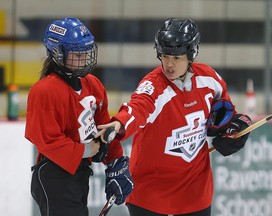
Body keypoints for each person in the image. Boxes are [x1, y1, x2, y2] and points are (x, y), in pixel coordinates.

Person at [95, 17, 252, 216]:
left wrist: (234, 127)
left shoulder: (209, 79)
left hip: (195, 192)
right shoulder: (154, 86)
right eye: (165, 56)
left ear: (191, 54)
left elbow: (225, 110)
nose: (169, 64)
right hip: (151, 194)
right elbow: (138, 108)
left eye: (177, 58)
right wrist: (118, 124)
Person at [25, 17, 133, 216]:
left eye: (85, 51)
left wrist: (115, 165)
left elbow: (104, 129)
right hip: (54, 176)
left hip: (80, 173)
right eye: (76, 53)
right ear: (58, 53)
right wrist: (86, 150)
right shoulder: (44, 90)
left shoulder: (93, 84)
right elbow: (46, 140)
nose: (83, 58)